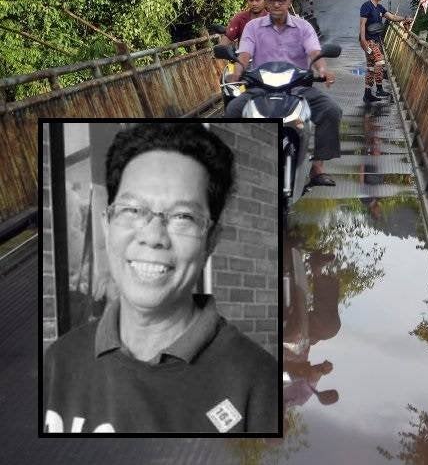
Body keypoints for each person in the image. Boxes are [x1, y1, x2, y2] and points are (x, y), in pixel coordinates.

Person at [42, 123, 280, 433]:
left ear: (211, 240)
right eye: (132, 210)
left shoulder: (258, 386)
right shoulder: (60, 361)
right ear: (106, 225)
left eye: (183, 216)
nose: (153, 236)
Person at [225, 0, 342, 187]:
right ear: (266, 1)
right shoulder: (253, 27)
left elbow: (314, 52)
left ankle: (317, 169)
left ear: (289, 1)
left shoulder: (303, 27)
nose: (276, 4)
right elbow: (244, 54)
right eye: (272, 0)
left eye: (281, 0)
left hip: (298, 88)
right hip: (261, 89)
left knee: (331, 110)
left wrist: (323, 70)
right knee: (233, 110)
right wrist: (237, 72)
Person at [359, 0, 412, 103]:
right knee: (380, 61)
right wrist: (363, 41)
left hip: (376, 40)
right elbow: (362, 24)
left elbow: (392, 17)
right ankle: (379, 89)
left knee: (371, 67)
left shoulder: (379, 8)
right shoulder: (366, 6)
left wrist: (404, 18)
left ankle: (367, 94)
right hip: (368, 40)